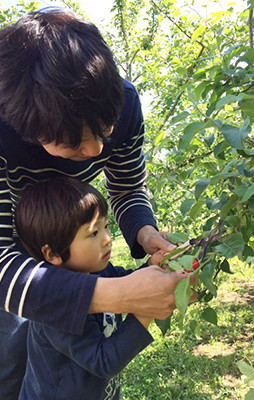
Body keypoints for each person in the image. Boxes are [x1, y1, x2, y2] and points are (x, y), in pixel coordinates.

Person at [0, 7, 193, 399]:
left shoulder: (123, 104)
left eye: (104, 131)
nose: (95, 150)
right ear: (26, 127)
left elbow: (126, 188)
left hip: (69, 248)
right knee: (9, 358)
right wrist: (117, 295)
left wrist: (146, 232)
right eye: (72, 143)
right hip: (21, 250)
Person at [15, 177, 163, 400]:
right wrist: (145, 310)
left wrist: (154, 267)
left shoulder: (98, 271)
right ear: (53, 254)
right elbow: (103, 360)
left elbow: (130, 282)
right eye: (93, 233)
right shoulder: (55, 308)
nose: (107, 239)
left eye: (106, 226)